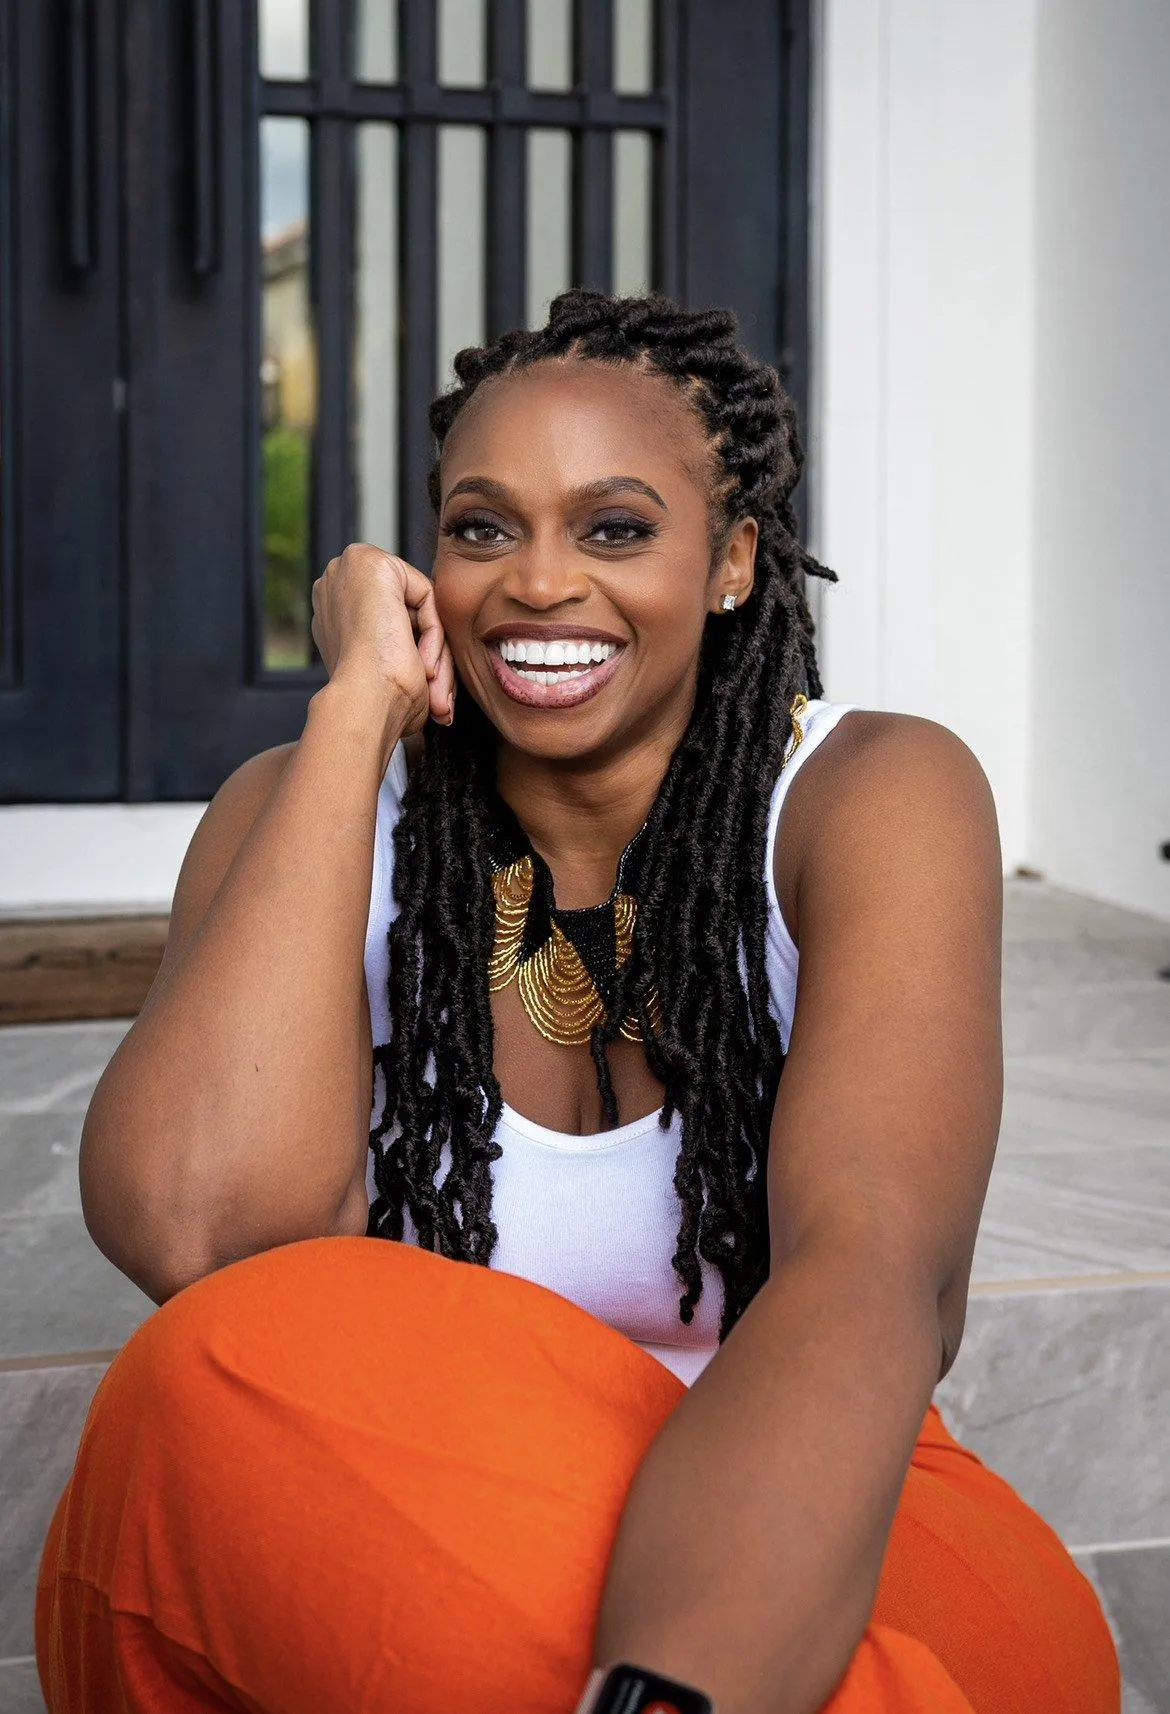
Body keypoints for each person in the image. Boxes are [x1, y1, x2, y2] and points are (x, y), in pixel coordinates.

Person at [36, 290, 1120, 1714]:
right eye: (482, 527)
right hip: (421, 1499)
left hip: (805, 1530)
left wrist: (672, 1687)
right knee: (204, 1385)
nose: (539, 582)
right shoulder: (308, 810)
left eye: (614, 527)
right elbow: (198, 1231)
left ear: (732, 558)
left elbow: (868, 1273)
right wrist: (355, 708)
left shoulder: (868, 795)